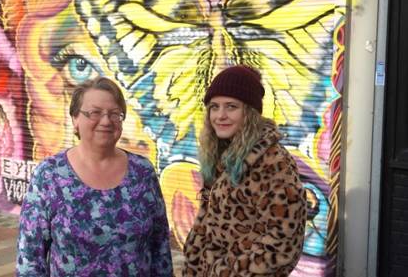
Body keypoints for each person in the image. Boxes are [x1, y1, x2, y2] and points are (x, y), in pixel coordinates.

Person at [16, 77, 173, 276]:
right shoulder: (49, 175)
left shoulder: (142, 172)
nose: (106, 121)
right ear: (75, 119)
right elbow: (30, 257)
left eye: (114, 113)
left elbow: (160, 249)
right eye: (95, 113)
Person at [182, 66, 307, 277]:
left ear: (249, 112)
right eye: (214, 107)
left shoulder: (273, 163)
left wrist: (225, 272)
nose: (220, 116)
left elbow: (283, 245)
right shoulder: (222, 154)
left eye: (231, 107)